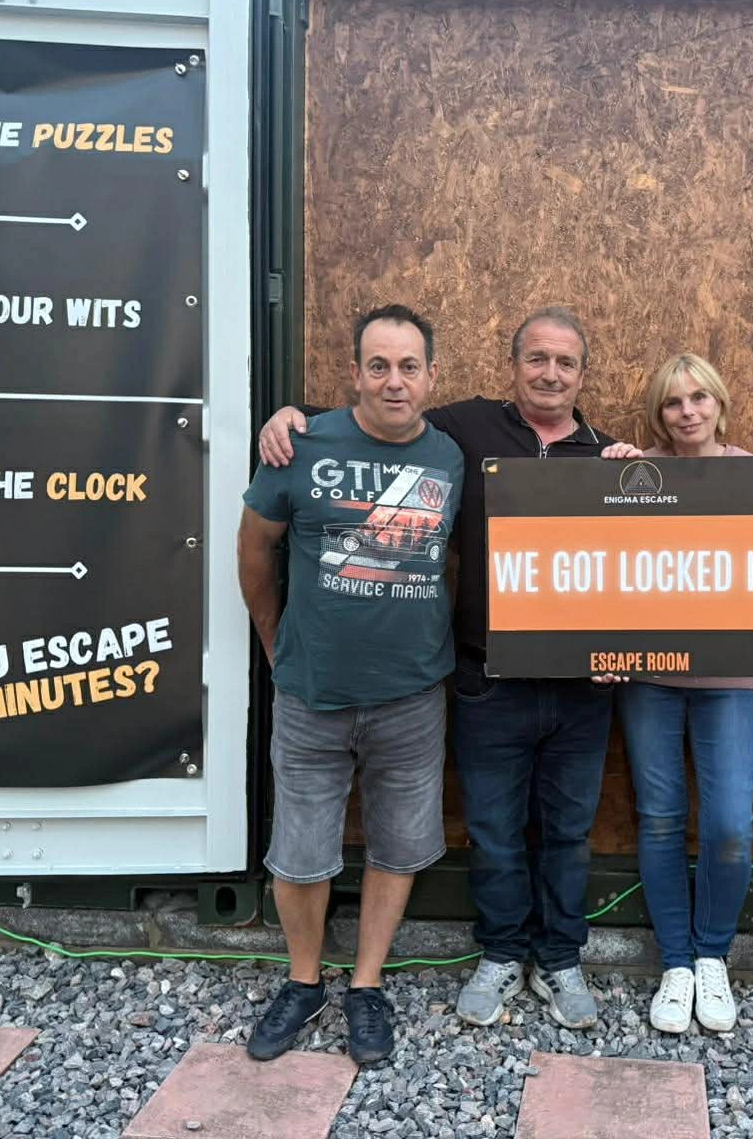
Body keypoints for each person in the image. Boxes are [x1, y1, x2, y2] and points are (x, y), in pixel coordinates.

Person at [258, 306, 641, 1031]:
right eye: (537, 359)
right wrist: (289, 415)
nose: (550, 373)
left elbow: (656, 557)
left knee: (566, 832)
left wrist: (640, 469)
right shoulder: (467, 430)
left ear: (583, 376)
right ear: (513, 366)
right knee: (494, 831)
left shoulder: (608, 457)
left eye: (565, 363)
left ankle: (559, 957)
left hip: (582, 689)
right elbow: (378, 413)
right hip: (486, 679)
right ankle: (500, 953)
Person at [237, 304, 463, 1065]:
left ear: (432, 376)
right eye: (378, 365)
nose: (393, 382)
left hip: (412, 695)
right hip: (310, 696)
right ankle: (303, 983)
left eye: (408, 366)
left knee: (397, 848)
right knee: (298, 855)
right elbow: (254, 552)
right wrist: (279, 649)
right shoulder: (299, 443)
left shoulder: (453, 456)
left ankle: (366, 985)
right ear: (355, 373)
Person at [615, 354, 753, 1034]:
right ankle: (676, 961)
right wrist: (596, 477)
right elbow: (602, 565)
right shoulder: (632, 473)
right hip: (648, 674)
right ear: (659, 413)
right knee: (661, 818)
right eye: (674, 402)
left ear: (719, 404)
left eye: (699, 398)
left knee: (730, 826)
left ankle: (712, 957)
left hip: (729, 678)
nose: (688, 412)